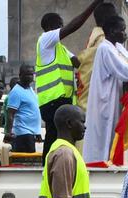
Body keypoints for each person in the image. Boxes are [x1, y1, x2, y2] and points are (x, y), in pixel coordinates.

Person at [82, 16, 128, 163]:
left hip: (113, 99)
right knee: (103, 137)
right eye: (122, 30)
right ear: (111, 31)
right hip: (105, 103)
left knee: (111, 136)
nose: (125, 34)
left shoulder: (116, 47)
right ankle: (98, 165)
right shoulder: (105, 48)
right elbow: (125, 70)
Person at [36, 0, 102, 155]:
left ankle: (56, 163)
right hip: (52, 100)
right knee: (54, 136)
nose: (62, 28)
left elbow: (79, 63)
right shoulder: (45, 40)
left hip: (62, 100)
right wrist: (94, 5)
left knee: (62, 137)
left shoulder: (62, 49)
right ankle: (48, 167)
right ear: (50, 27)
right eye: (59, 25)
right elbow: (74, 26)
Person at [75, 2, 119, 111]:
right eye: (115, 16)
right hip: (93, 104)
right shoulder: (103, 41)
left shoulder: (96, 35)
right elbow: (121, 66)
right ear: (108, 19)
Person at [5, 66, 42, 154]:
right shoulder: (16, 91)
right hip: (23, 133)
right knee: (25, 163)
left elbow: (33, 111)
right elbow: (10, 113)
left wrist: (37, 132)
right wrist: (9, 133)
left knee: (30, 161)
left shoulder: (30, 90)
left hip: (30, 133)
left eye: (31, 74)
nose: (29, 77)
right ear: (20, 75)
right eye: (27, 74)